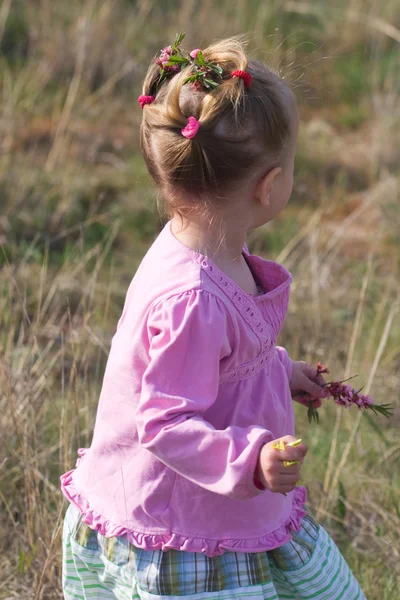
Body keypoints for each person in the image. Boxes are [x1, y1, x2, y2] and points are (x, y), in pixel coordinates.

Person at [61, 35, 366, 600]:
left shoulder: (201, 249)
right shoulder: (192, 297)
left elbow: (217, 365)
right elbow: (165, 422)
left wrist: (278, 370)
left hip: (205, 510)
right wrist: (249, 459)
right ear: (270, 186)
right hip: (183, 533)